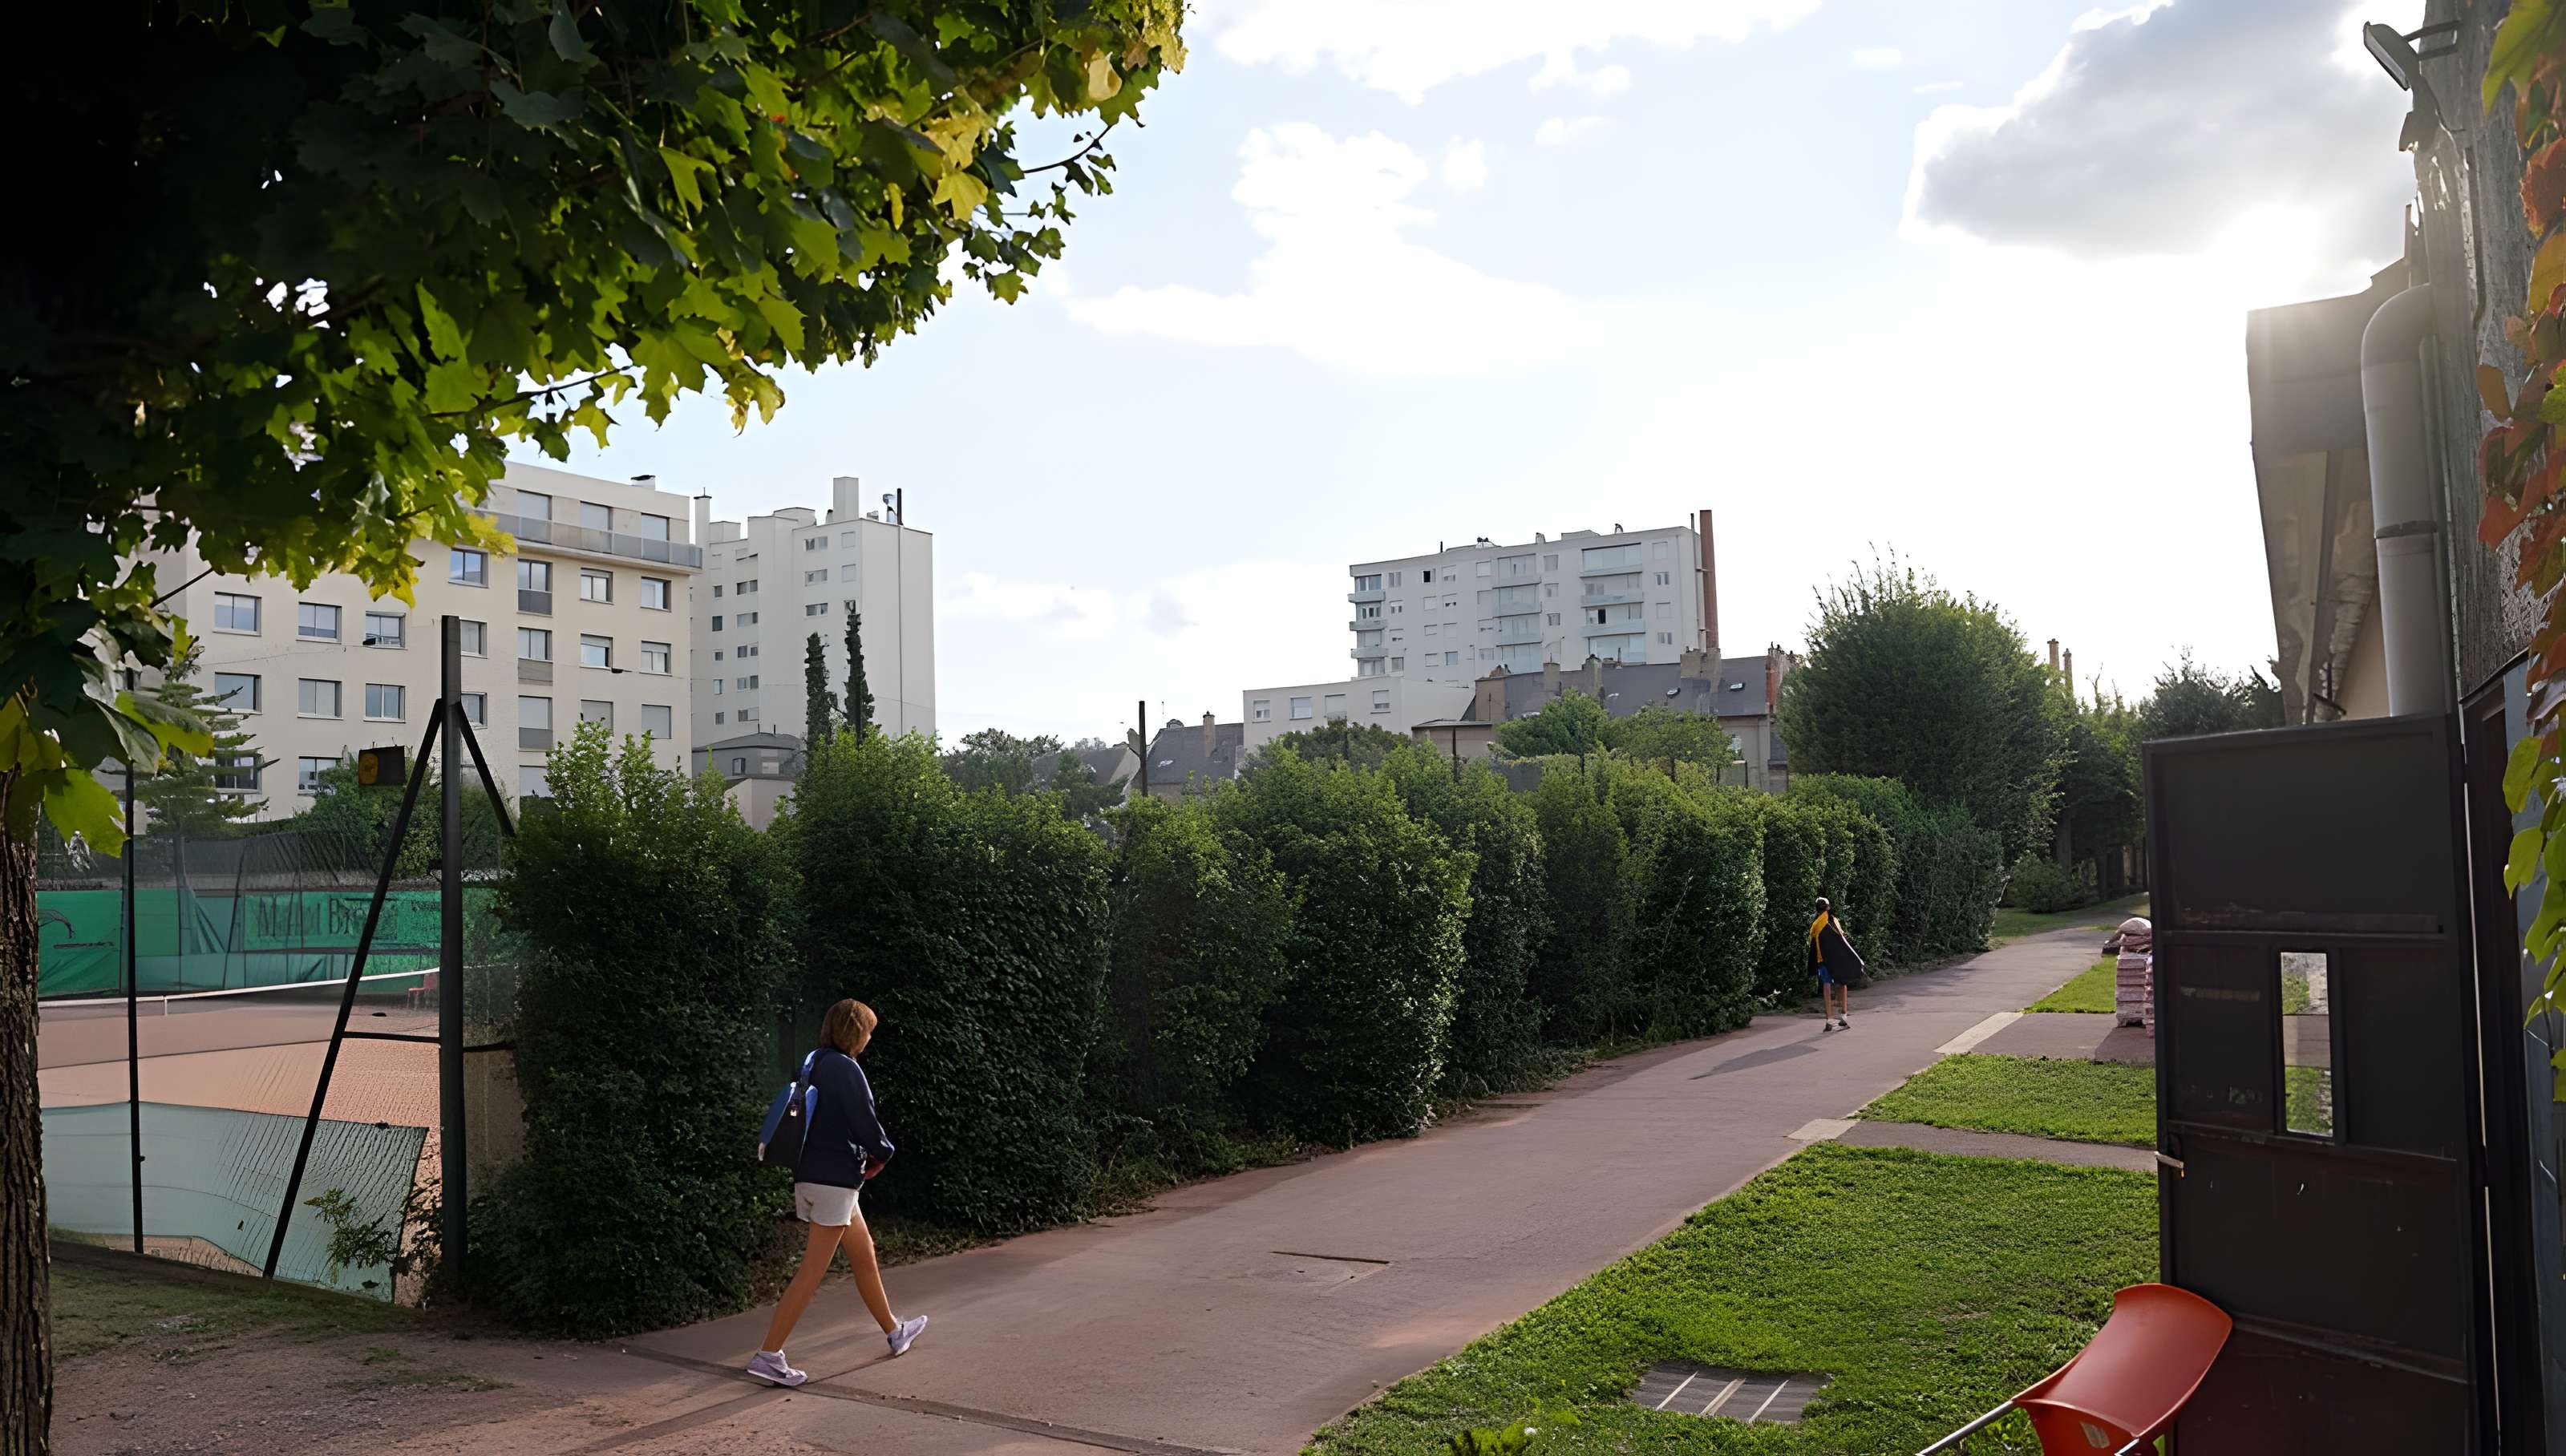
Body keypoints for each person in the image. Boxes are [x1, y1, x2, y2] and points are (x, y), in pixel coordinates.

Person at [747, 998, 928, 1386]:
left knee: (864, 1254)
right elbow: (863, 1119)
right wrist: (884, 1153)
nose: (868, 1041)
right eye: (868, 1032)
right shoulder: (846, 1069)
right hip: (833, 1180)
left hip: (811, 1174)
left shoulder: (813, 1061)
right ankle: (768, 1355)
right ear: (855, 1032)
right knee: (812, 1272)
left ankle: (895, 1331)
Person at [1807, 896, 1864, 1032]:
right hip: (1837, 960)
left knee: (1827, 986)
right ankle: (1844, 1017)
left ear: (1817, 909)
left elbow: (1812, 944)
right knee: (1842, 983)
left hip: (1823, 961)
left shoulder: (1815, 925)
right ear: (1828, 907)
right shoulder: (1834, 920)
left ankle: (1829, 1020)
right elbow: (1842, 940)